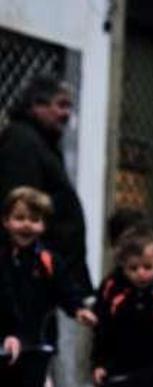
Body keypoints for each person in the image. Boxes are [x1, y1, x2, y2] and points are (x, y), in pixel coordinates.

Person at [0, 186, 95, 387]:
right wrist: (8, 332)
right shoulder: (2, 257)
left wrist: (78, 308)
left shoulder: (48, 260)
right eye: (20, 218)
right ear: (6, 221)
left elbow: (65, 288)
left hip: (38, 344)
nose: (27, 225)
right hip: (7, 343)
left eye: (35, 219)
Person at [0, 76, 91, 291]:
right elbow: (20, 205)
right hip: (29, 279)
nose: (67, 114)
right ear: (37, 106)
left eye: (69, 106)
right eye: (61, 105)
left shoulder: (41, 143)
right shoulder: (22, 143)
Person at [90, 225, 153, 385]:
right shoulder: (115, 293)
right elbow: (102, 331)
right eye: (133, 268)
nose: (141, 273)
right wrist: (99, 364)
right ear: (123, 267)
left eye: (147, 267)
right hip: (119, 368)